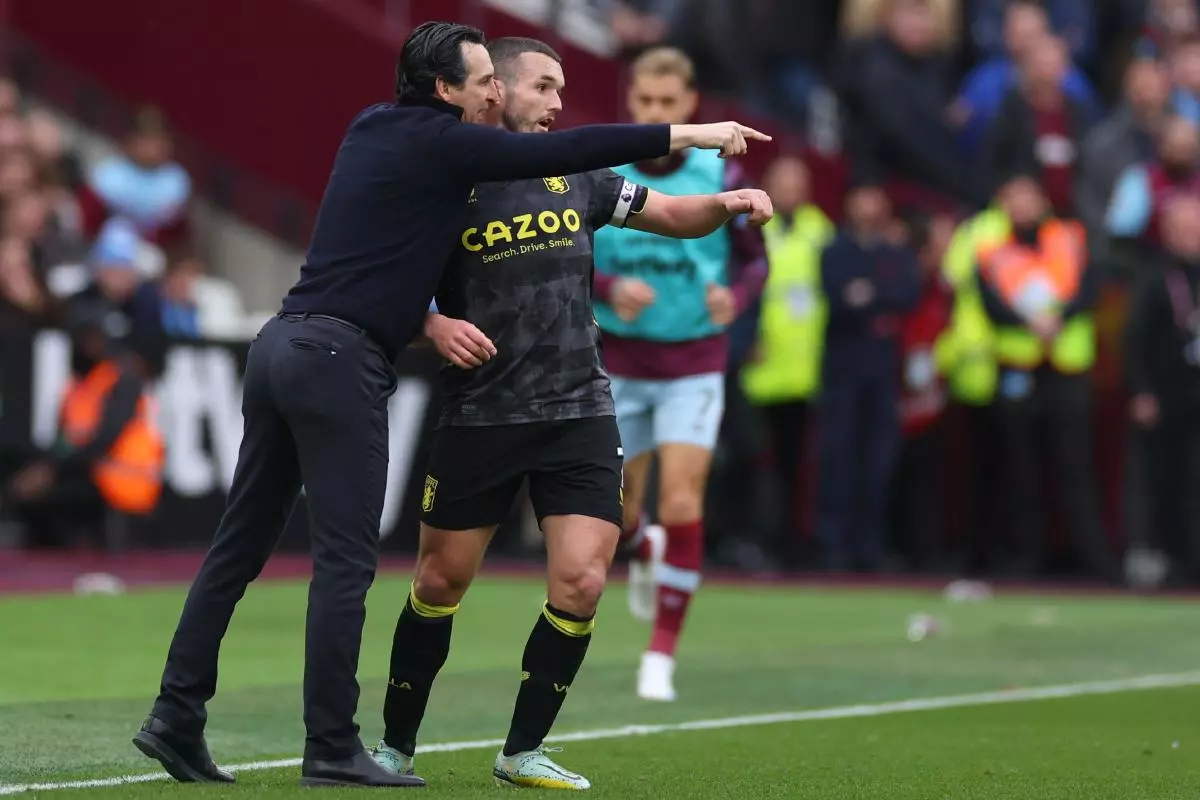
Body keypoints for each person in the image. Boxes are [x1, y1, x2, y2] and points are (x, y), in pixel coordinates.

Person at [132, 21, 770, 791]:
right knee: (345, 564)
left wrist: (426, 317)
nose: (499, 95)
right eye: (488, 83)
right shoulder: (454, 149)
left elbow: (389, 251)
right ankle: (334, 745)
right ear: (448, 90)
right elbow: (566, 151)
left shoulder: (373, 127)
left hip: (283, 343)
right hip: (345, 362)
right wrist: (696, 131)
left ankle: (175, 714)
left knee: (239, 547)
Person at [367, 36, 772, 790]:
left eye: (562, 90)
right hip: (482, 413)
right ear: (498, 92)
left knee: (584, 581)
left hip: (580, 409)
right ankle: (394, 748)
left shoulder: (578, 174)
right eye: (544, 88)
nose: (558, 104)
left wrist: (727, 205)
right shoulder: (449, 178)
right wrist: (430, 323)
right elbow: (380, 276)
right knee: (438, 584)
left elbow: (673, 213)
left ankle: (521, 751)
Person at [590, 46, 769, 703]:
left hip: (694, 358)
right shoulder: (602, 170)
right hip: (620, 362)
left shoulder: (715, 173)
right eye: (646, 102)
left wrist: (737, 298)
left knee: (683, 499)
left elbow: (754, 260)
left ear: (690, 107)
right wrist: (607, 285)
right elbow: (567, 252)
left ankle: (660, 652)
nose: (657, 112)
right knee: (620, 510)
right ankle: (643, 546)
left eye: (669, 103)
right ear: (630, 102)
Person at [815, 185, 920, 571]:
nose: (868, 206)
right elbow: (836, 295)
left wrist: (867, 295)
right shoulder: (834, 250)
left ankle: (870, 543)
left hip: (882, 370)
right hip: (842, 368)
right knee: (837, 456)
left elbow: (907, 293)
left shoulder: (895, 253)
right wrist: (876, 299)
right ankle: (834, 544)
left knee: (879, 458)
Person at [1125, 195, 1200, 587]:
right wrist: (1141, 391)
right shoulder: (1155, 277)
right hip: (1167, 394)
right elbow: (1135, 339)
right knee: (1164, 480)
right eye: (1183, 228)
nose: (1192, 236)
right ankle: (1169, 562)